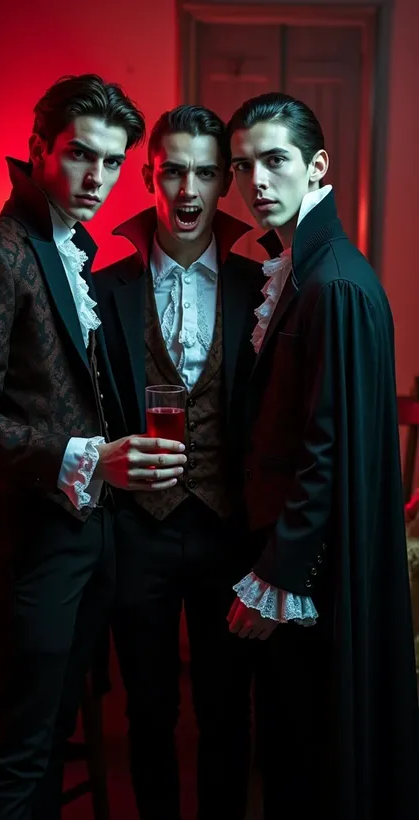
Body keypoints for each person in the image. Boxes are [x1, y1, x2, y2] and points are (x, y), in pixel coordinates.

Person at [0, 73, 186, 820]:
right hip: (29, 544)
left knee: (52, 739)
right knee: (20, 753)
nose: (98, 179)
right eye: (82, 155)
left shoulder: (74, 245)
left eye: (114, 163)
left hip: (91, 535)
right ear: (38, 149)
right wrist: (84, 456)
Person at [226, 91, 419, 820]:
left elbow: (325, 450)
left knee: (310, 760)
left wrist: (276, 578)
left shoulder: (334, 282)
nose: (257, 184)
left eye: (275, 162)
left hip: (311, 576)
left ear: (317, 165)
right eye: (244, 167)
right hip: (299, 562)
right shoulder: (306, 267)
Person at [93, 104, 263, 820]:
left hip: (229, 531)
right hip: (141, 531)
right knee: (149, 712)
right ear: (148, 176)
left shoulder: (262, 288)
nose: (187, 189)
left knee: (227, 712)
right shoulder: (104, 291)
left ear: (225, 180)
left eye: (203, 172)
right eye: (172, 171)